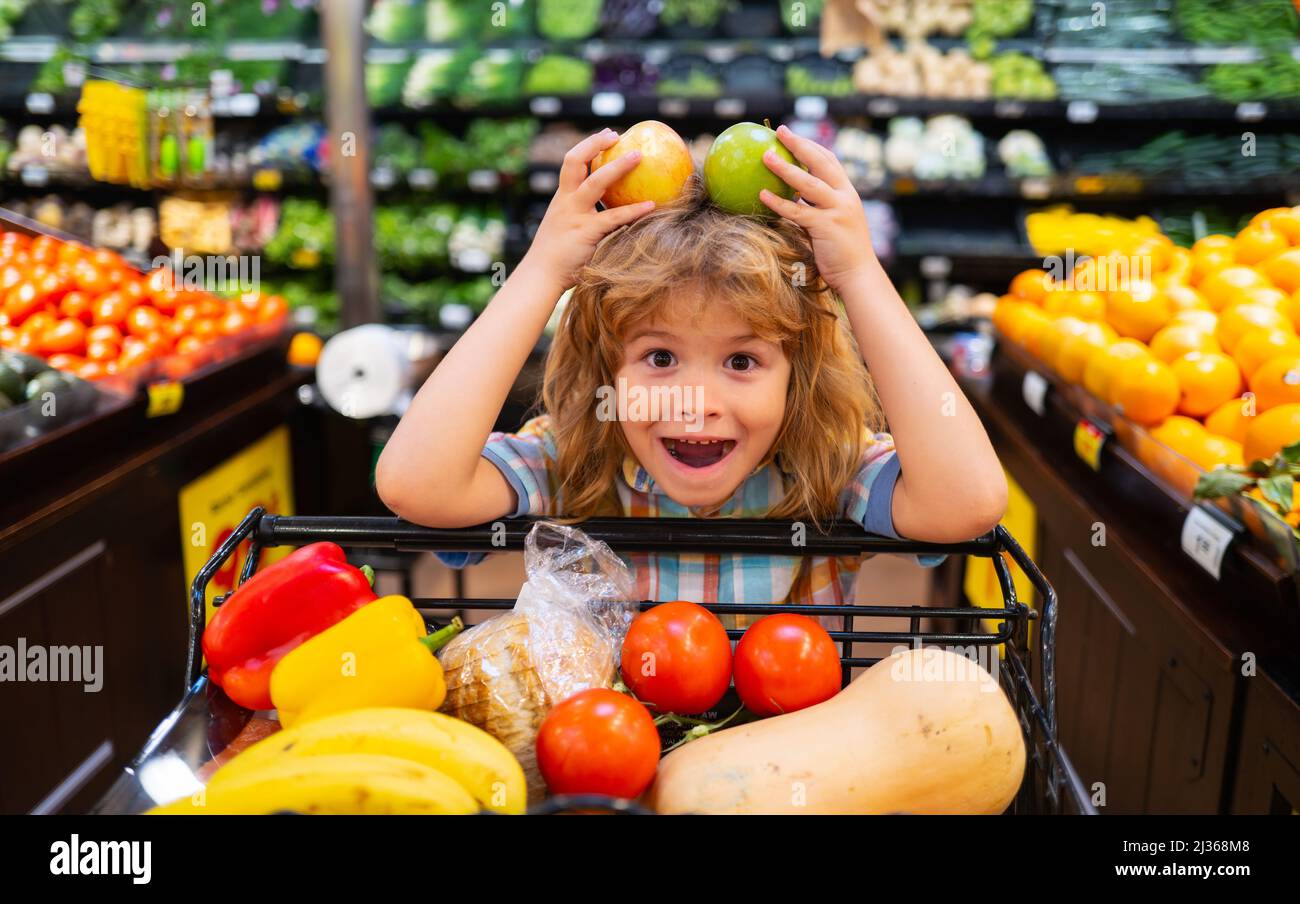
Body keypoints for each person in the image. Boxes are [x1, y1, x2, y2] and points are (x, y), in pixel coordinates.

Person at [376, 125, 1007, 614]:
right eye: (659, 357)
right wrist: (542, 270)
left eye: (741, 360)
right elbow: (416, 484)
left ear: (800, 376)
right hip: (614, 769)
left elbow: (968, 503)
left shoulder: (826, 466)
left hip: (792, 776)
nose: (693, 402)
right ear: (606, 371)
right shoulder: (576, 461)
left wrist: (860, 275)